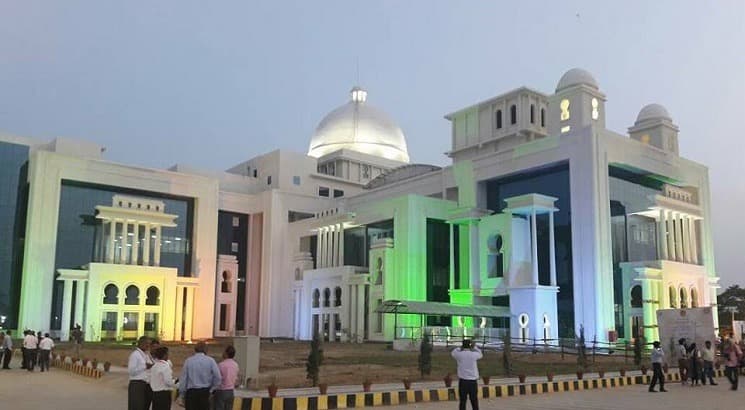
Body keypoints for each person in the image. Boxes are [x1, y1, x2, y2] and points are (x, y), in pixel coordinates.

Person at [178, 341, 222, 410]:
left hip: (191, 393)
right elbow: (218, 377)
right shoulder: (210, 361)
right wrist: (212, 390)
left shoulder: (188, 361)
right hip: (205, 392)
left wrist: (182, 394)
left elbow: (183, 379)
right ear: (206, 350)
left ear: (195, 349)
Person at [451, 339, 482, 410]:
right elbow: (480, 354)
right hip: (473, 381)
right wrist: (474, 347)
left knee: (463, 400)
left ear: (462, 345)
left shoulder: (459, 354)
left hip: (463, 381)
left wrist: (460, 348)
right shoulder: (474, 354)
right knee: (474, 400)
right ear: (470, 346)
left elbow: (453, 352)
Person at [128, 336, 153, 410]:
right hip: (136, 384)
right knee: (136, 406)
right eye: (147, 343)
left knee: (142, 407)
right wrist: (145, 366)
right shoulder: (135, 355)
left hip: (144, 385)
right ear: (141, 343)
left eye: (149, 344)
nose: (148, 345)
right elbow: (131, 371)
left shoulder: (145, 355)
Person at [214, 345, 240, 410]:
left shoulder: (221, 365)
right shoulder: (236, 365)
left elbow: (217, 378)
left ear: (226, 354)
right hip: (231, 391)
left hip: (221, 390)